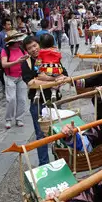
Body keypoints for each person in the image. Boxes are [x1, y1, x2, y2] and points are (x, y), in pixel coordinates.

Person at [21, 35, 69, 166]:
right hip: (38, 104)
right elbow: (31, 82)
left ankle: (61, 161)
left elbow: (64, 74)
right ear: (27, 51)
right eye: (29, 48)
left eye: (35, 45)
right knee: (41, 135)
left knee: (60, 131)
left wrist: (56, 78)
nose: (33, 49)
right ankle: (44, 164)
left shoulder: (51, 57)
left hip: (55, 102)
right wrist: (53, 79)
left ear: (39, 45)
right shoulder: (27, 64)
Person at [0, 31, 29, 130]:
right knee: (11, 99)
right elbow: (4, 64)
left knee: (22, 99)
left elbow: (27, 56)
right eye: (17, 40)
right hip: (10, 77)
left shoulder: (21, 48)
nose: (20, 42)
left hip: (21, 77)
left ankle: (19, 118)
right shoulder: (5, 51)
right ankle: (8, 119)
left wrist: (26, 58)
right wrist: (17, 62)